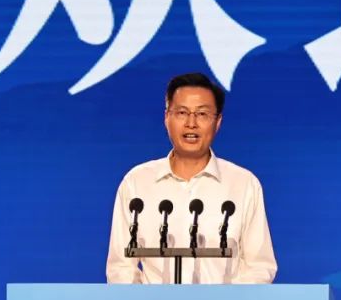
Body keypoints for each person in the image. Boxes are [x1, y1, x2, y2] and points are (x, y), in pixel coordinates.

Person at [106, 72, 277, 284]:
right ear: (166, 117)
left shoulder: (243, 184)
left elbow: (259, 267)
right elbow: (121, 268)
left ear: (218, 122)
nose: (191, 123)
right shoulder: (137, 183)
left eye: (202, 114)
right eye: (182, 113)